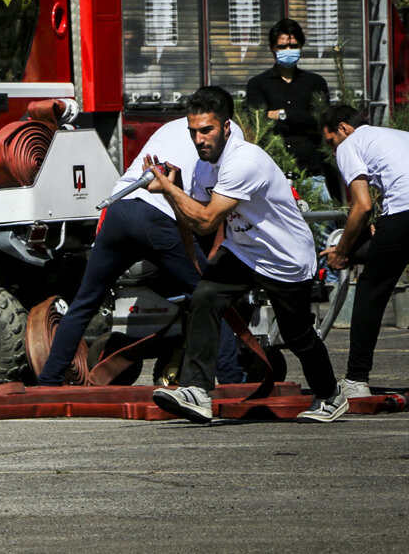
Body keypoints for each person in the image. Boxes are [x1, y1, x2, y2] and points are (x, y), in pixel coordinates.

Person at [147, 86, 346, 423]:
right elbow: (203, 226)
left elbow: (207, 217)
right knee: (205, 297)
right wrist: (175, 190)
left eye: (206, 130)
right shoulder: (204, 166)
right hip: (243, 250)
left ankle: (330, 395)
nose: (199, 140)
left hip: (285, 257)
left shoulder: (244, 161)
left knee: (297, 335)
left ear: (226, 127)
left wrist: (168, 189)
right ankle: (197, 391)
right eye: (193, 132)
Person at [36, 115, 245, 387]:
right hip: (157, 215)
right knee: (209, 297)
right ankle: (234, 380)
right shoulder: (227, 134)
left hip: (119, 210)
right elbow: (212, 204)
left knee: (85, 303)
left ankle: (49, 380)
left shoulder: (172, 126)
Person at [319, 104, 409, 399]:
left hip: (404, 215)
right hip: (400, 217)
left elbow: (362, 207)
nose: (333, 150)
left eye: (331, 140)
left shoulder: (349, 144)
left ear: (343, 129)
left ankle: (356, 379)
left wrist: (341, 251)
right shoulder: (396, 135)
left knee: (370, 290)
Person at [245, 18, 332, 198]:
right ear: (272, 48)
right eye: (282, 47)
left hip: (311, 170)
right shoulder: (258, 84)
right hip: (272, 170)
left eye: (293, 46)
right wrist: (302, 118)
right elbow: (258, 123)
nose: (288, 51)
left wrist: (282, 114)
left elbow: (321, 120)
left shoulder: (315, 82)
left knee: (321, 223)